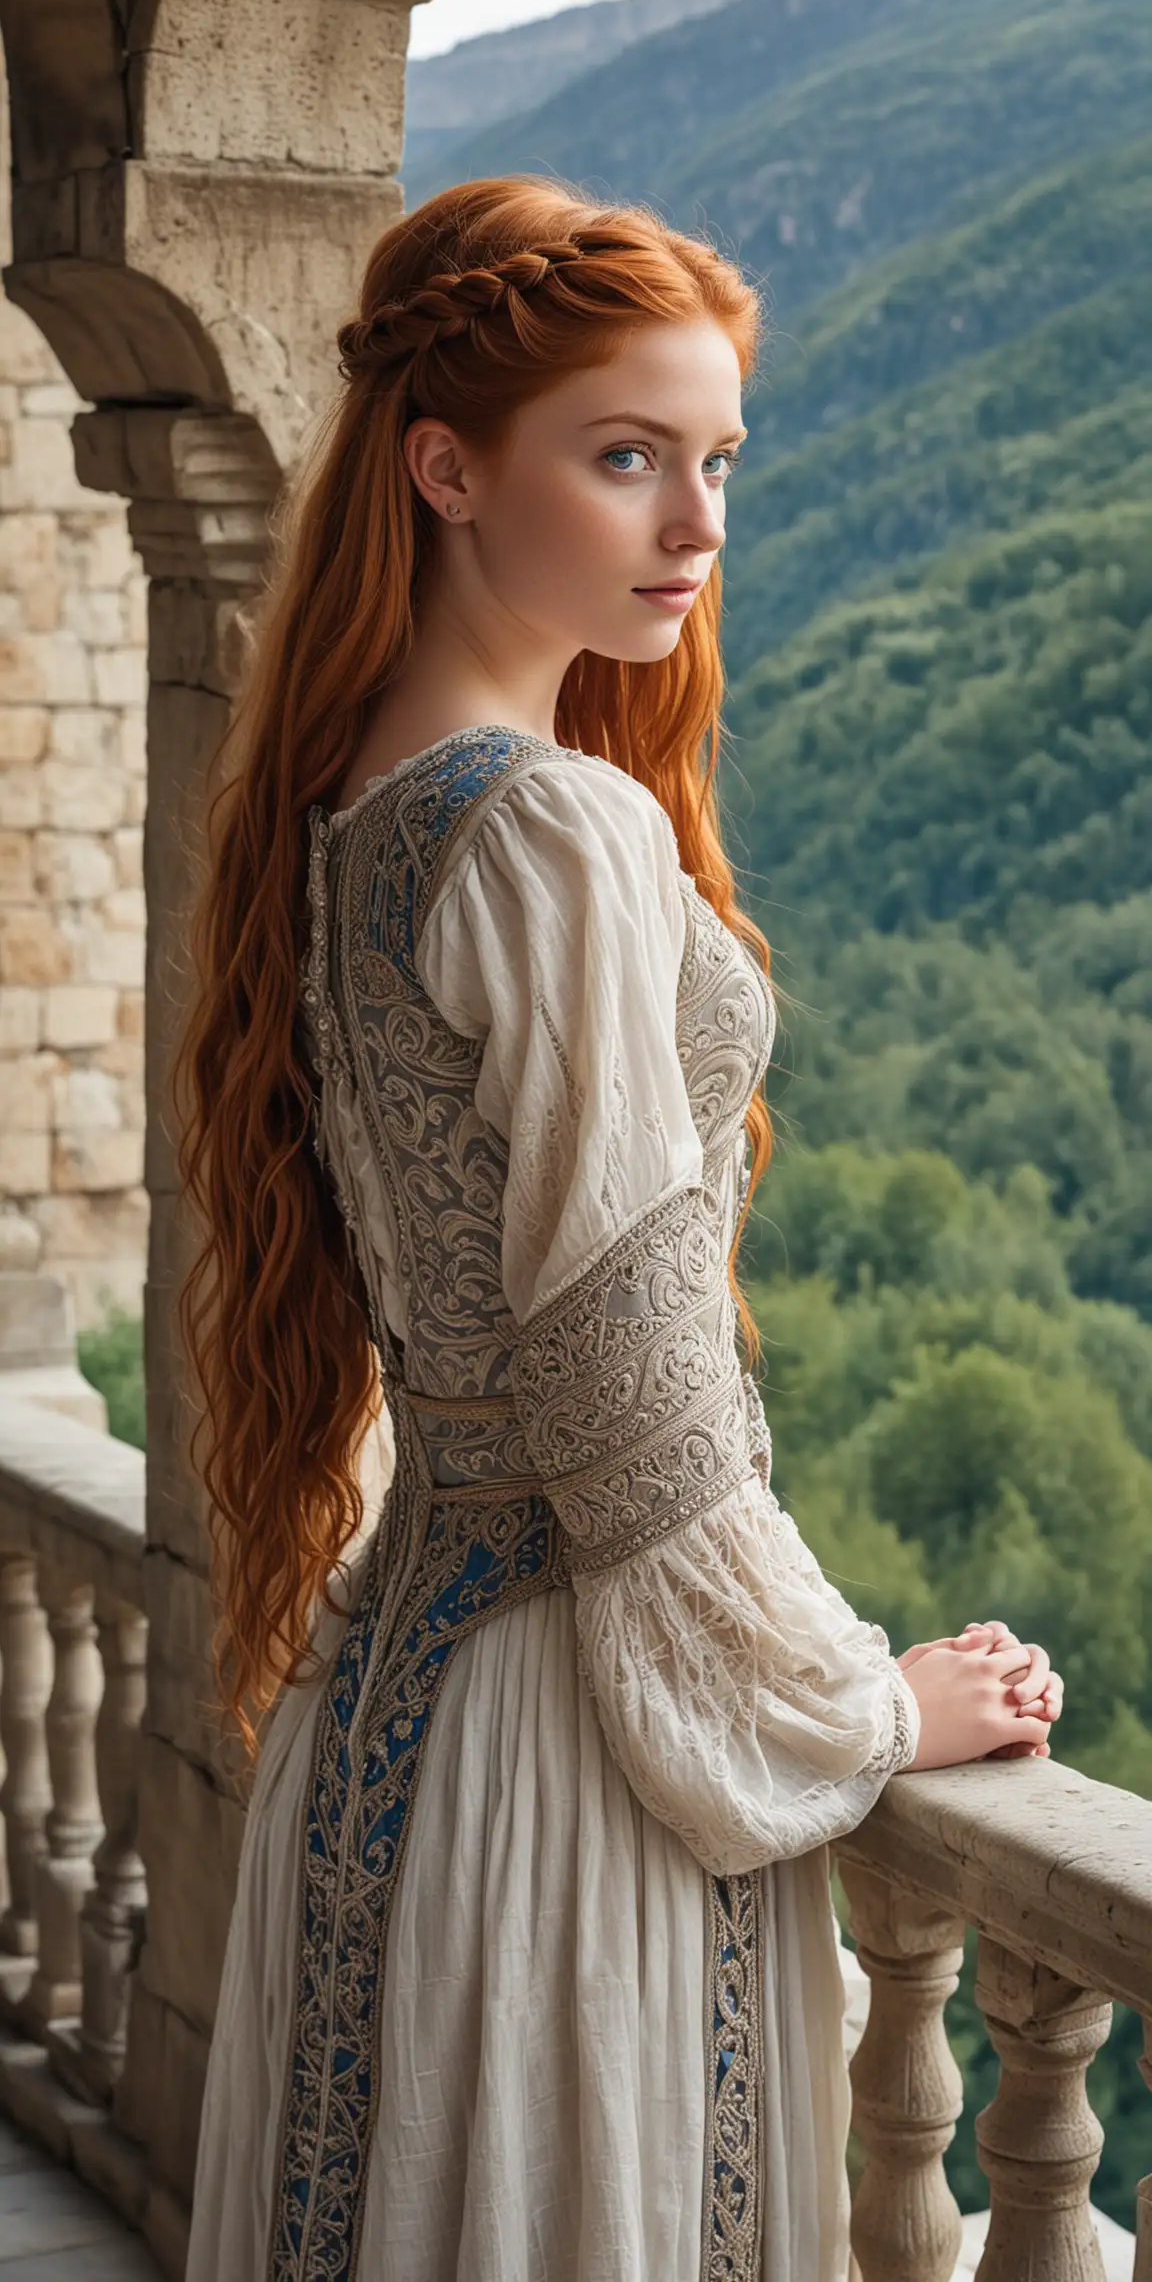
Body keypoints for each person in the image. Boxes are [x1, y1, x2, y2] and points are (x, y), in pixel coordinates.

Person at [178, 175, 1062, 2282]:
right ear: (448, 464)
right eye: (628, 455)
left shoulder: (362, 811)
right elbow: (639, 1414)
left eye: (720, 459)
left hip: (403, 1708)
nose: (698, 525)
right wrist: (861, 1707)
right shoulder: (548, 825)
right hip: (579, 1763)